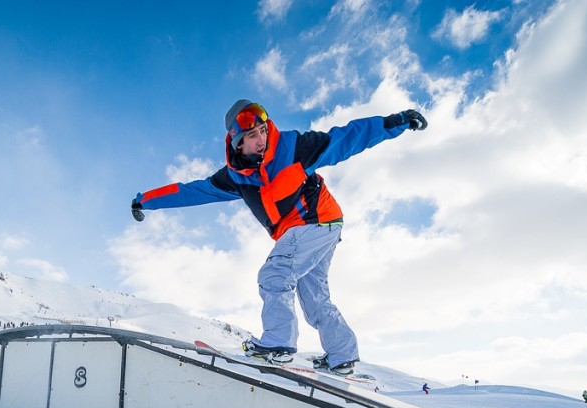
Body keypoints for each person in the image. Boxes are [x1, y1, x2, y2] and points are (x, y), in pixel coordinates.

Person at [131, 99, 426, 375]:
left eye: (263, 131)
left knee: (275, 274)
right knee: (314, 296)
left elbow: (347, 138)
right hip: (317, 228)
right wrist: (146, 200)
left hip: (315, 220)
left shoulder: (292, 147)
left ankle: (278, 344)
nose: (262, 140)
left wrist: (396, 122)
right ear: (237, 143)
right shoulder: (236, 177)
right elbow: (192, 191)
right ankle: (342, 355)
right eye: (253, 136)